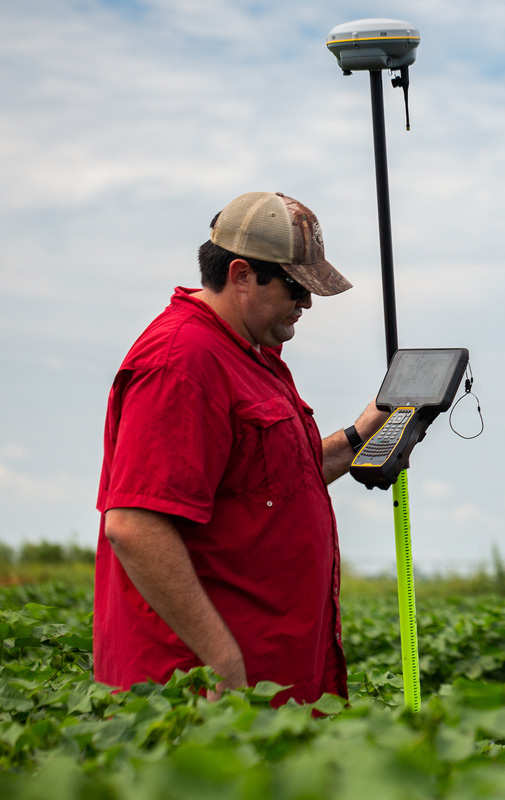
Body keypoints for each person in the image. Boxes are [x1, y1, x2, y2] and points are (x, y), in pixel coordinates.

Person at [94, 191, 390, 704]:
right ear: (241, 275)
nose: (307, 304)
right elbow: (135, 525)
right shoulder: (182, 361)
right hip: (198, 691)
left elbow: (269, 480)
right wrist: (221, 660)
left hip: (264, 675)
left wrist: (360, 436)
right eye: (296, 287)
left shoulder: (253, 353)